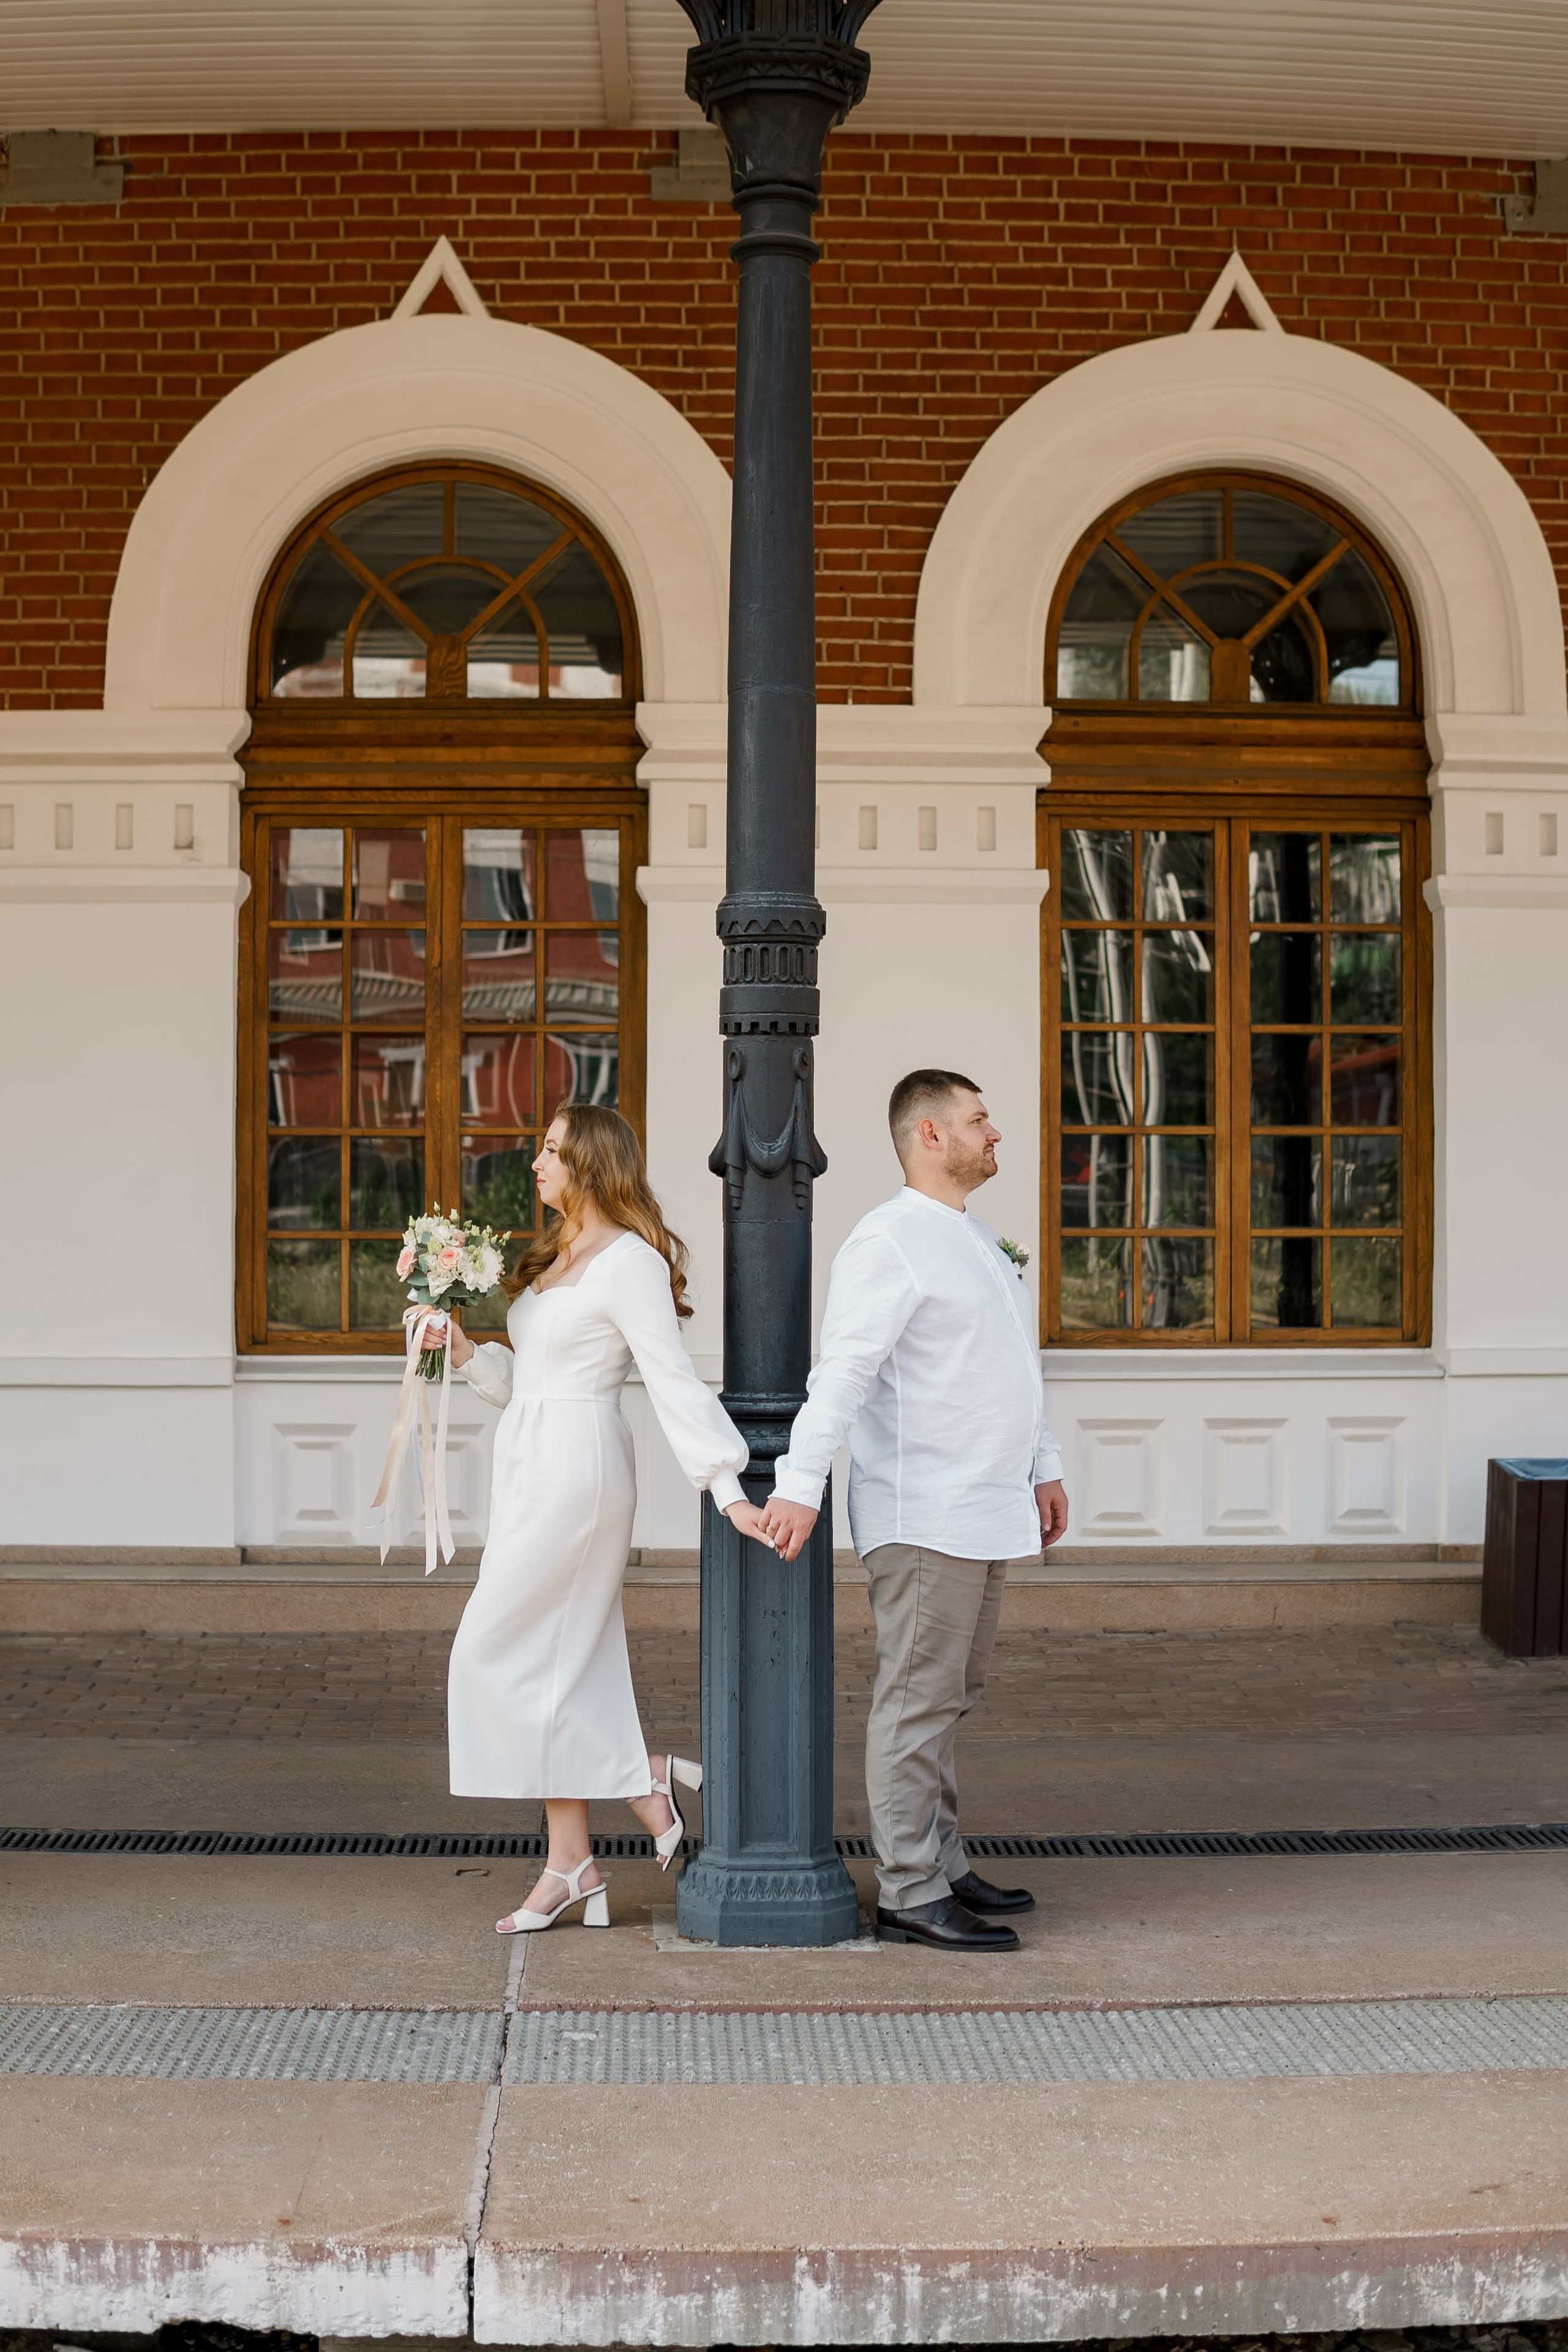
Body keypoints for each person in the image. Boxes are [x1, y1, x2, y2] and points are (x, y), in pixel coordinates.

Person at [431, 1102, 774, 1937]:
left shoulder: (629, 1262)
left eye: (552, 1150)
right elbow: (529, 1381)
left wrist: (727, 1488)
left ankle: (640, 1776)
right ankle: (571, 1860)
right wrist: (466, 1350)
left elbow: (670, 1378)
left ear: (592, 1162)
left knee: (491, 1649)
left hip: (579, 1472)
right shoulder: (555, 1254)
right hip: (529, 1461)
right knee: (562, 1663)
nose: (537, 1162)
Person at [760, 1069, 1069, 1954]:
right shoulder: (888, 1242)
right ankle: (908, 1891)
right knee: (915, 1700)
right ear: (930, 1136)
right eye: (979, 1120)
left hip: (985, 1502)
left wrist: (1043, 1466)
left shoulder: (975, 1242)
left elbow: (1015, 1366)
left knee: (951, 1694)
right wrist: (798, 1484)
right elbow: (845, 1374)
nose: (995, 1133)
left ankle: (942, 1860)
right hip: (926, 1508)